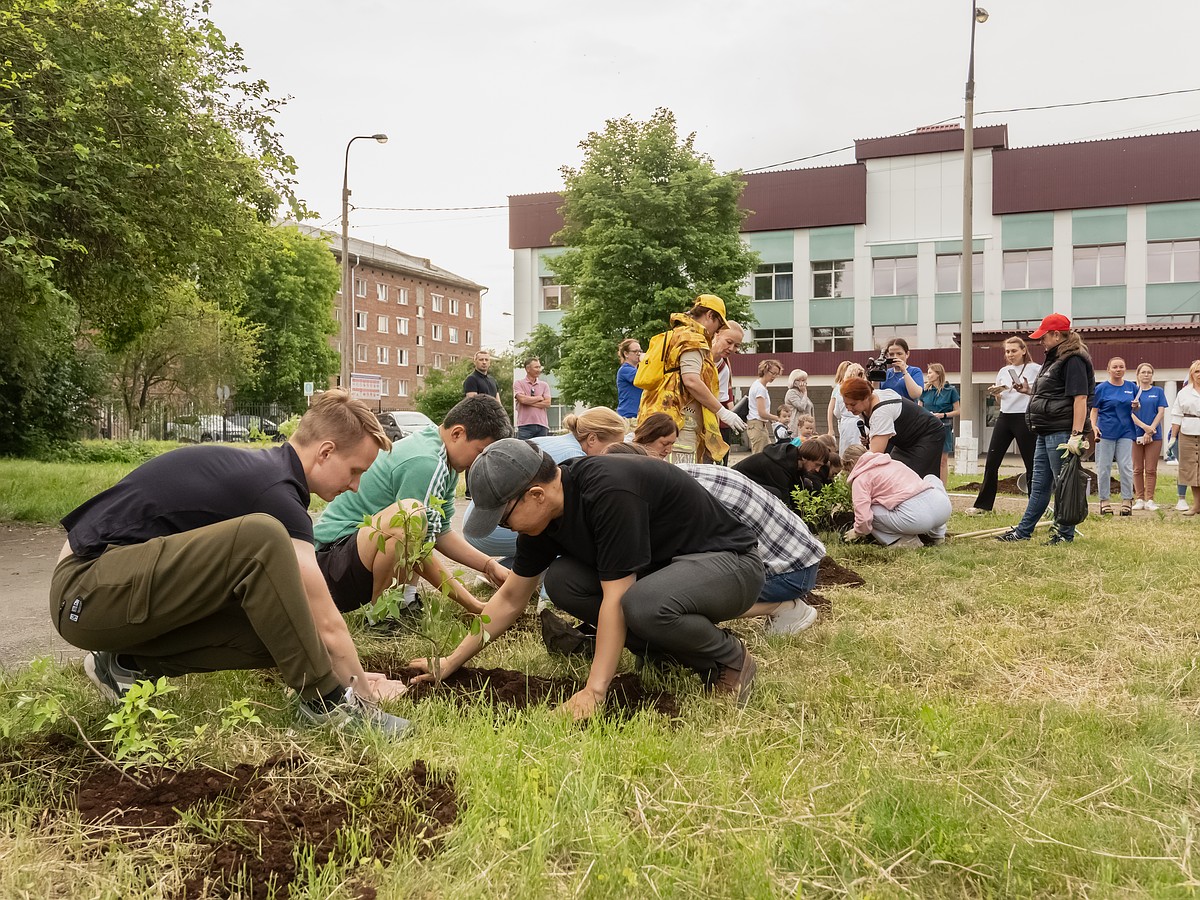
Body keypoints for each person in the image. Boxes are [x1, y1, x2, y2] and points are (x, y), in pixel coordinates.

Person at [51, 390, 412, 737]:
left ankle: (122, 665)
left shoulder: (272, 478)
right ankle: (327, 705)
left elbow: (303, 621)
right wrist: (362, 698)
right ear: (326, 452)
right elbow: (326, 623)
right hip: (85, 590)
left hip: (110, 593)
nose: (355, 485)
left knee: (282, 626)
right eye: (354, 470)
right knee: (263, 539)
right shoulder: (273, 493)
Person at [419, 441, 766, 718]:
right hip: (665, 575)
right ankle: (669, 652)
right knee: (562, 581)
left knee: (642, 604)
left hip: (729, 566)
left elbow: (617, 599)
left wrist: (595, 691)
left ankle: (730, 659)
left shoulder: (608, 490)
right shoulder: (544, 517)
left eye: (504, 521)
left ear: (536, 495)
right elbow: (510, 598)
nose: (505, 529)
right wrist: (451, 661)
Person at [313, 396, 512, 616]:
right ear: (457, 434)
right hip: (332, 564)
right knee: (411, 519)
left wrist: (488, 566)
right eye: (480, 451)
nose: (482, 462)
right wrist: (474, 605)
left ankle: (403, 602)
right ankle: (383, 613)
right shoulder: (427, 462)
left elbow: (440, 533)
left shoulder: (444, 458)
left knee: (418, 524)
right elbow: (419, 552)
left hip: (350, 557)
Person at [464, 406, 627, 565]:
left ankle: (507, 569)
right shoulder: (579, 459)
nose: (615, 455)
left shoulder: (554, 440)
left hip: (479, 522)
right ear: (592, 439)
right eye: (614, 446)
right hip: (500, 523)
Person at [677, 463, 826, 635]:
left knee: (691, 597)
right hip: (802, 559)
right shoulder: (688, 472)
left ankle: (786, 607)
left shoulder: (691, 499)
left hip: (791, 575)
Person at [996, 314, 1095, 544]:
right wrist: (1028, 391)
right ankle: (1023, 532)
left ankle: (1064, 534)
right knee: (1039, 485)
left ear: (1057, 335)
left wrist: (1076, 435)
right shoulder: (1054, 359)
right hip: (1045, 431)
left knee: (1064, 485)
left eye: (1044, 336)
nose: (1040, 341)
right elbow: (1051, 394)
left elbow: (1080, 398)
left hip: (1061, 433)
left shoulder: (1073, 360)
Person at [637, 294, 745, 463]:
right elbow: (691, 380)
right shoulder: (693, 338)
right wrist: (722, 411)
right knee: (680, 476)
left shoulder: (676, 334)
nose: (717, 331)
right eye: (718, 325)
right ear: (710, 315)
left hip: (658, 415)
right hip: (680, 420)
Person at [966, 336, 1040, 516]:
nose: (1010, 354)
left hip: (1025, 417)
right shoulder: (1003, 370)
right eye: (1007, 351)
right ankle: (983, 505)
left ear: (1023, 350)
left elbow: (1040, 392)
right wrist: (996, 392)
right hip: (1005, 417)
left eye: (1014, 350)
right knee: (992, 462)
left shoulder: (1035, 369)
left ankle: (1034, 507)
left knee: (1031, 464)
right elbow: (1000, 399)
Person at [841, 444, 951, 548]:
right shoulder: (893, 463)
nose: (847, 473)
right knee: (930, 478)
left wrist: (857, 531)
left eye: (846, 469)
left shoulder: (861, 479)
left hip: (917, 519)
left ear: (851, 463)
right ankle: (937, 535)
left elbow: (864, 519)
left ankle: (905, 541)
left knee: (870, 510)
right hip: (942, 509)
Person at [839, 376, 946, 480]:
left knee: (914, 480)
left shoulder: (881, 411)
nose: (849, 409)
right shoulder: (866, 405)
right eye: (846, 404)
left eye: (853, 404)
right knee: (892, 475)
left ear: (866, 398)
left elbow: (875, 455)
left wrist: (853, 474)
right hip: (904, 440)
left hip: (928, 434)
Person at [1090, 357, 1138, 516]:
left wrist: (1137, 406)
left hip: (1125, 431)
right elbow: (1094, 410)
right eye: (1115, 367)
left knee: (1125, 466)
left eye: (1121, 367)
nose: (1118, 369)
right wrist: (1094, 426)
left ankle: (1127, 500)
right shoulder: (1101, 388)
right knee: (1103, 467)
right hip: (1105, 432)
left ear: (1125, 369)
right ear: (1108, 370)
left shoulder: (1132, 387)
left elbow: (1136, 408)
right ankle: (1104, 501)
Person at [1130, 362, 1169, 511]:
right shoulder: (1133, 391)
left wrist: (1151, 430)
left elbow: (1161, 412)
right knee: (1137, 468)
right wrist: (1144, 428)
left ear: (1152, 375)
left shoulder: (1158, 391)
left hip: (1155, 435)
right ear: (1138, 375)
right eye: (1143, 372)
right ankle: (1139, 498)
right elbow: (1130, 413)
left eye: (1149, 372)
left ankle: (1150, 499)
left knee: (1151, 469)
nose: (1146, 375)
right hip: (1135, 434)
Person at [1167, 359, 1200, 516]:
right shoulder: (1184, 393)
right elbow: (1176, 415)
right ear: (1192, 374)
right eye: (1197, 372)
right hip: (1187, 432)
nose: (1199, 375)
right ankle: (1196, 506)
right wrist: (1173, 437)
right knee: (1191, 469)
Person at [919, 363, 960, 484]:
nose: (928, 375)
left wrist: (943, 415)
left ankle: (942, 488)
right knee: (926, 458)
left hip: (944, 427)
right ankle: (926, 486)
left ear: (938, 374)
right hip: (926, 427)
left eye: (930, 372)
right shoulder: (924, 391)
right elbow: (919, 409)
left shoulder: (950, 390)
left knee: (943, 460)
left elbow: (958, 411)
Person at [712, 321, 745, 463]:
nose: (732, 348)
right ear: (717, 334)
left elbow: (722, 399)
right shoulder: (696, 354)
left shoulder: (724, 369)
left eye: (736, 346)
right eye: (729, 342)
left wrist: (732, 416)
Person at [828, 361, 868, 456]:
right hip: (862, 423)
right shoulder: (865, 389)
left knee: (846, 452)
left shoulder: (839, 389)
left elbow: (836, 412)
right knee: (861, 451)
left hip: (846, 423)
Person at [746, 359, 784, 454]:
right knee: (759, 455)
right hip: (757, 424)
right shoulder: (760, 388)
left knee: (767, 453)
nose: (774, 376)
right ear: (765, 370)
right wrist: (778, 418)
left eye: (777, 374)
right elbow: (762, 413)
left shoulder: (759, 385)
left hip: (759, 425)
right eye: (773, 373)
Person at [513, 356, 552, 440]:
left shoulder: (544, 385)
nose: (539, 370)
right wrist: (539, 397)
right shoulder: (519, 383)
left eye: (539, 367)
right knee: (524, 451)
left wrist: (528, 402)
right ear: (528, 369)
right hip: (525, 426)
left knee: (541, 452)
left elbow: (548, 403)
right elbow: (522, 400)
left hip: (542, 426)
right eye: (536, 367)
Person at [615, 339, 644, 427]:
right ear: (626, 354)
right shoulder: (625, 370)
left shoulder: (637, 370)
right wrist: (647, 362)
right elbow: (643, 378)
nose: (638, 354)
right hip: (629, 417)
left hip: (637, 416)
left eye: (640, 351)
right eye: (635, 351)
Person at [782, 369, 815, 436]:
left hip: (807, 427)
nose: (801, 382)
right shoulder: (791, 392)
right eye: (798, 380)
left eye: (803, 380)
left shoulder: (801, 393)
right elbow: (801, 407)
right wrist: (805, 392)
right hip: (796, 426)